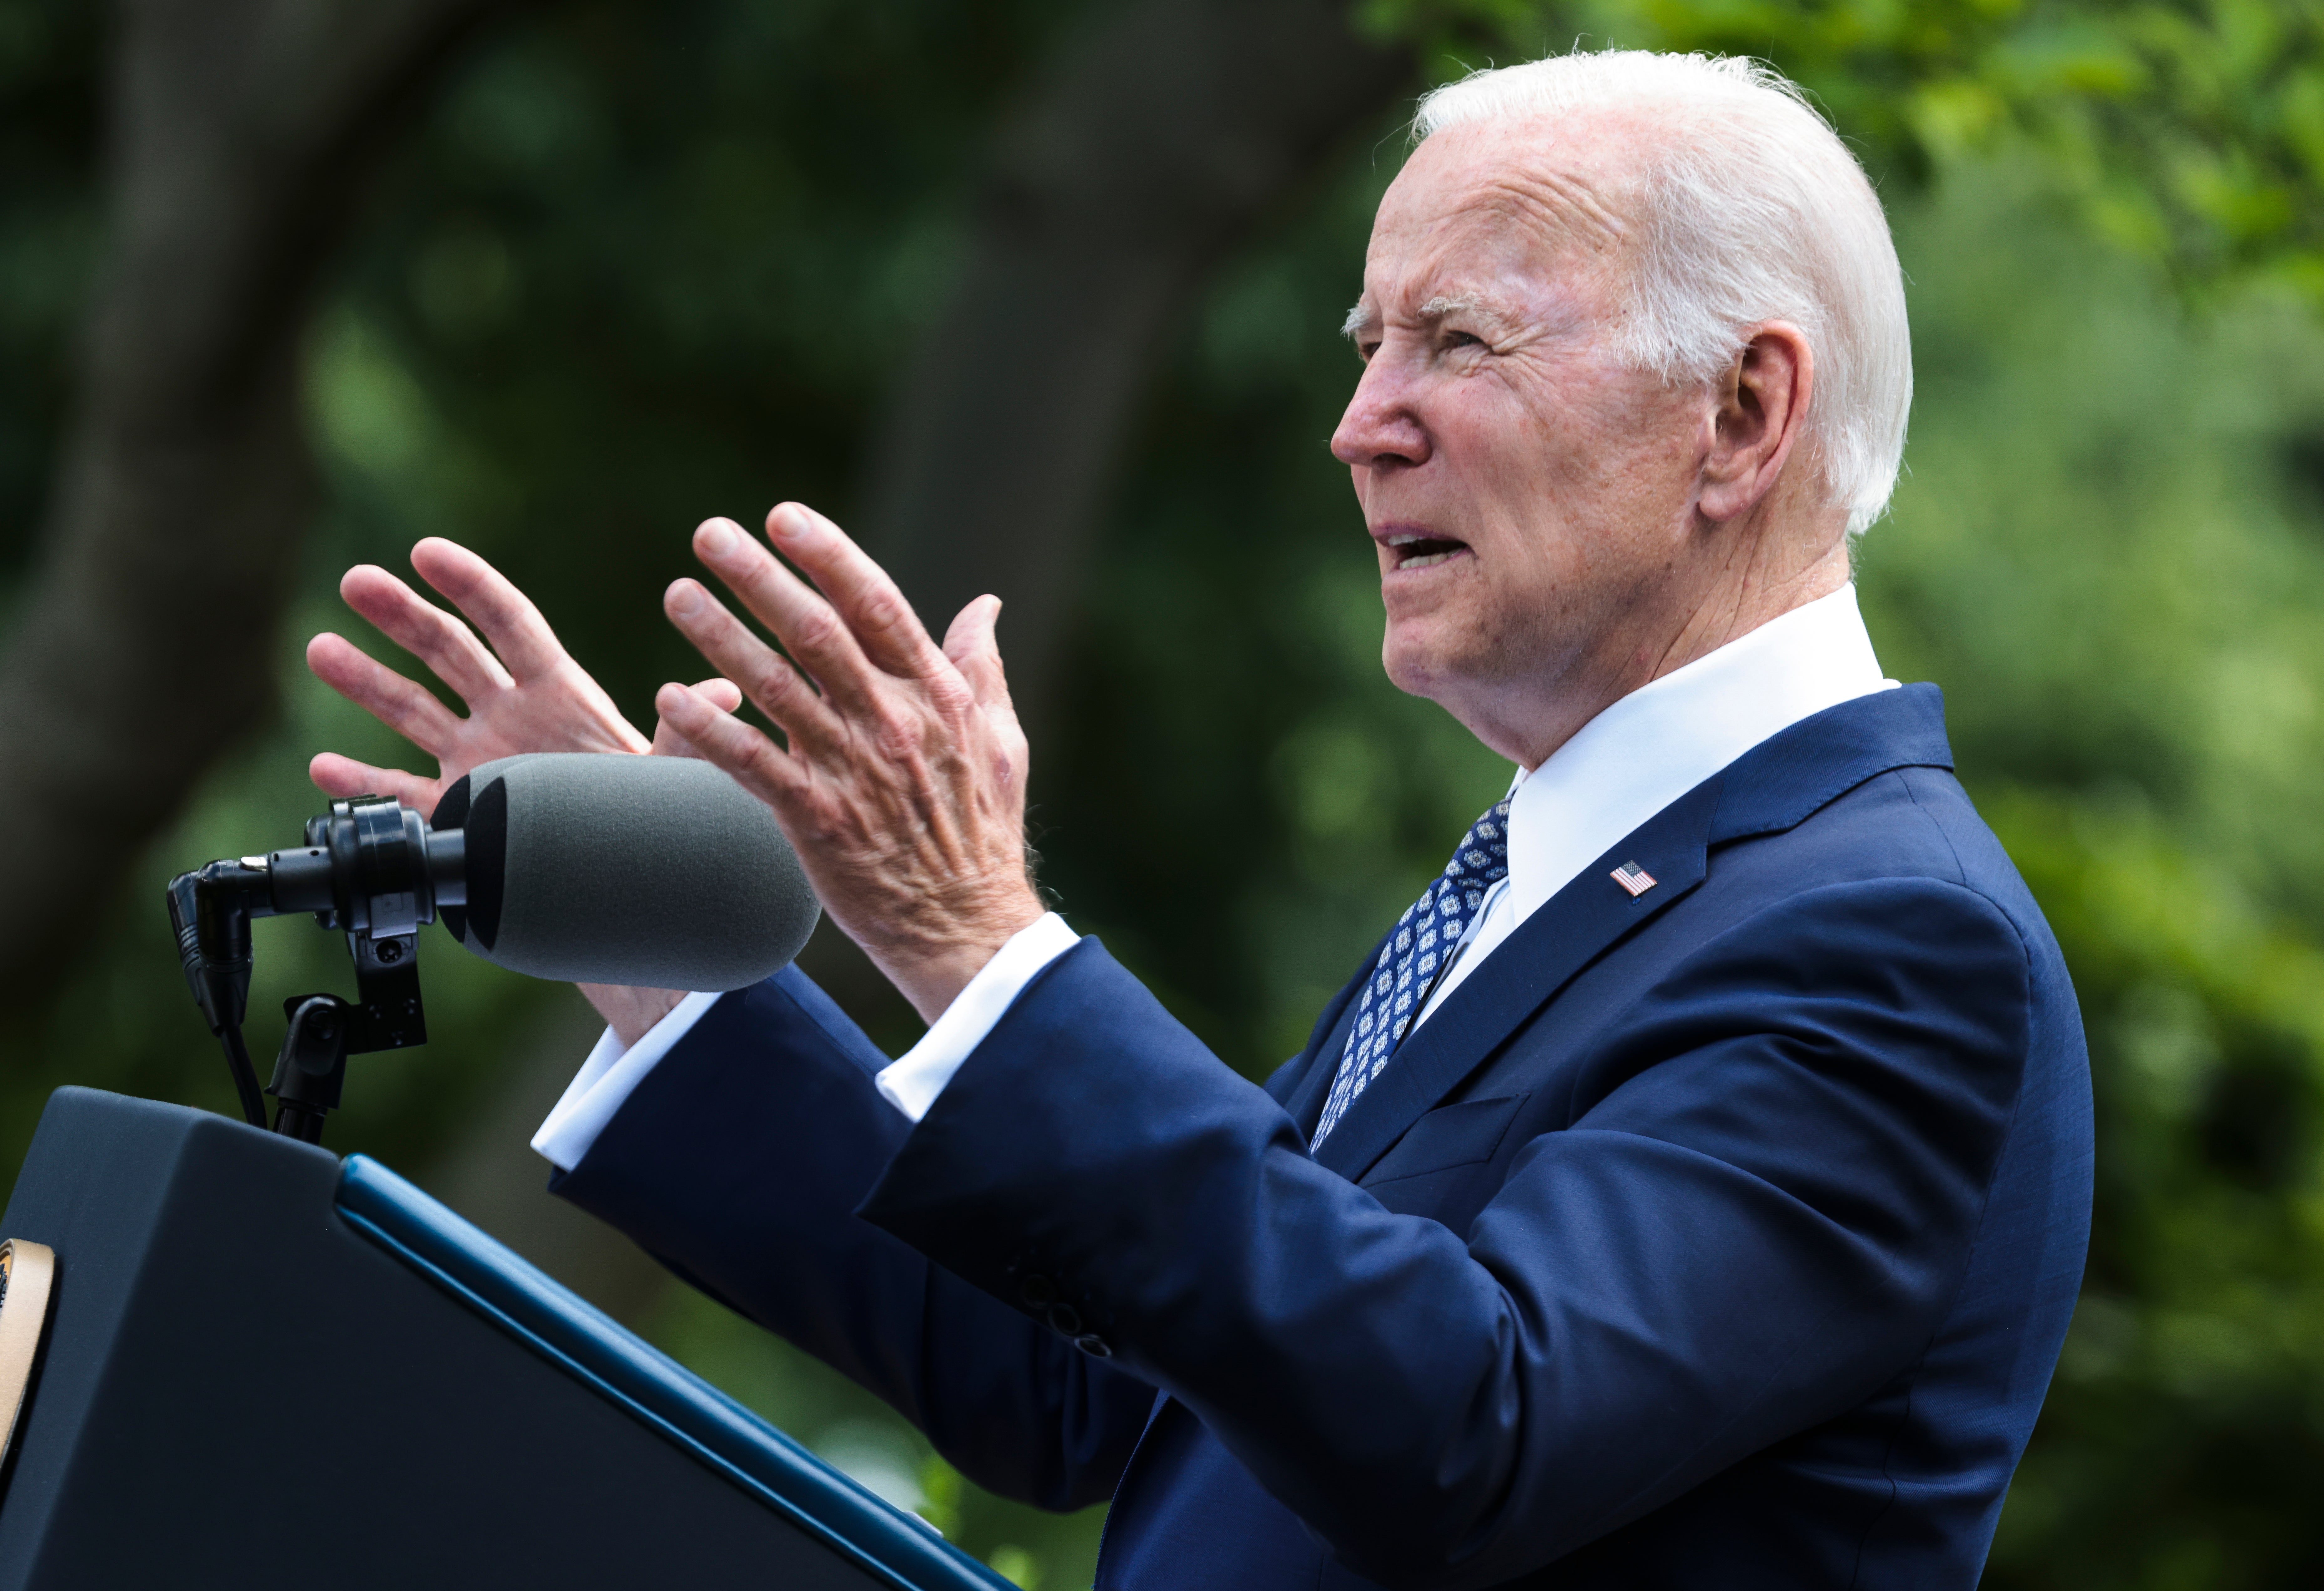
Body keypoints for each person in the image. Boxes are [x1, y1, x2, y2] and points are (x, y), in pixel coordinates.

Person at [309, 50, 2091, 1590]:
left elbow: (1471, 1424)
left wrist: (974, 938)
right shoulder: (1553, 875)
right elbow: (1114, 1376)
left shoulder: (1888, 940)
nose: (1358, 427)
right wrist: (642, 932)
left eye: (1457, 340)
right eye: (1368, 341)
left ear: (1741, 414)